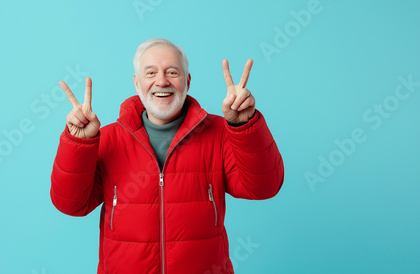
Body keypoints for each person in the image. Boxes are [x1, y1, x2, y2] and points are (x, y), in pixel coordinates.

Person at [50, 38, 284, 274]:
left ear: (188, 81)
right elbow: (71, 204)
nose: (161, 81)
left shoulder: (221, 133)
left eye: (172, 72)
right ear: (136, 83)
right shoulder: (107, 139)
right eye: (150, 72)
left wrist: (245, 127)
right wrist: (79, 142)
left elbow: (264, 187)